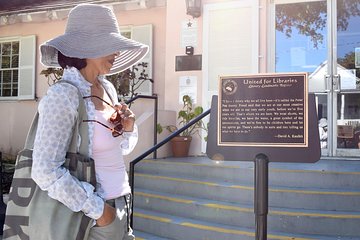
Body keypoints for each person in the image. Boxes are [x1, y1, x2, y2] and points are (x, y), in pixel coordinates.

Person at [33, 3, 148, 239]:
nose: (116, 52)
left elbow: (120, 149)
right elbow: (44, 170)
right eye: (110, 45)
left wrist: (127, 129)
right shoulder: (63, 95)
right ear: (84, 48)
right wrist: (101, 212)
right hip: (91, 217)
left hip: (122, 201)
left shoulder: (106, 88)